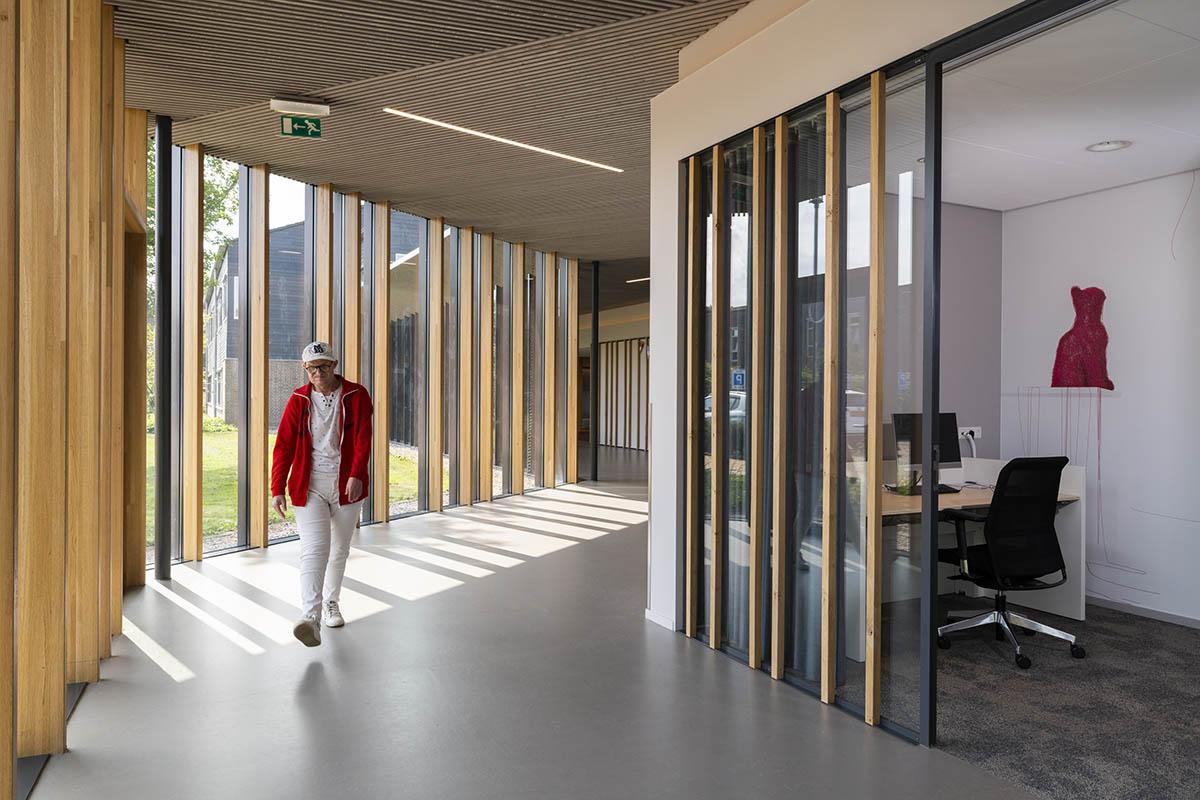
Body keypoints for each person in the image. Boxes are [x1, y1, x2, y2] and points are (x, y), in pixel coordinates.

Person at [271, 341, 373, 647]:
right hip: (309, 484)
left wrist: (356, 474)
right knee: (315, 549)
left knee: (339, 549)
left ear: (335, 364)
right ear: (305, 369)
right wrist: (277, 488)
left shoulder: (357, 395)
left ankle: (331, 603)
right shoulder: (298, 400)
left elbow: (363, 438)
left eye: (325, 366)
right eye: (314, 368)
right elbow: (284, 446)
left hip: (346, 484)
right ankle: (310, 617)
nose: (320, 373)